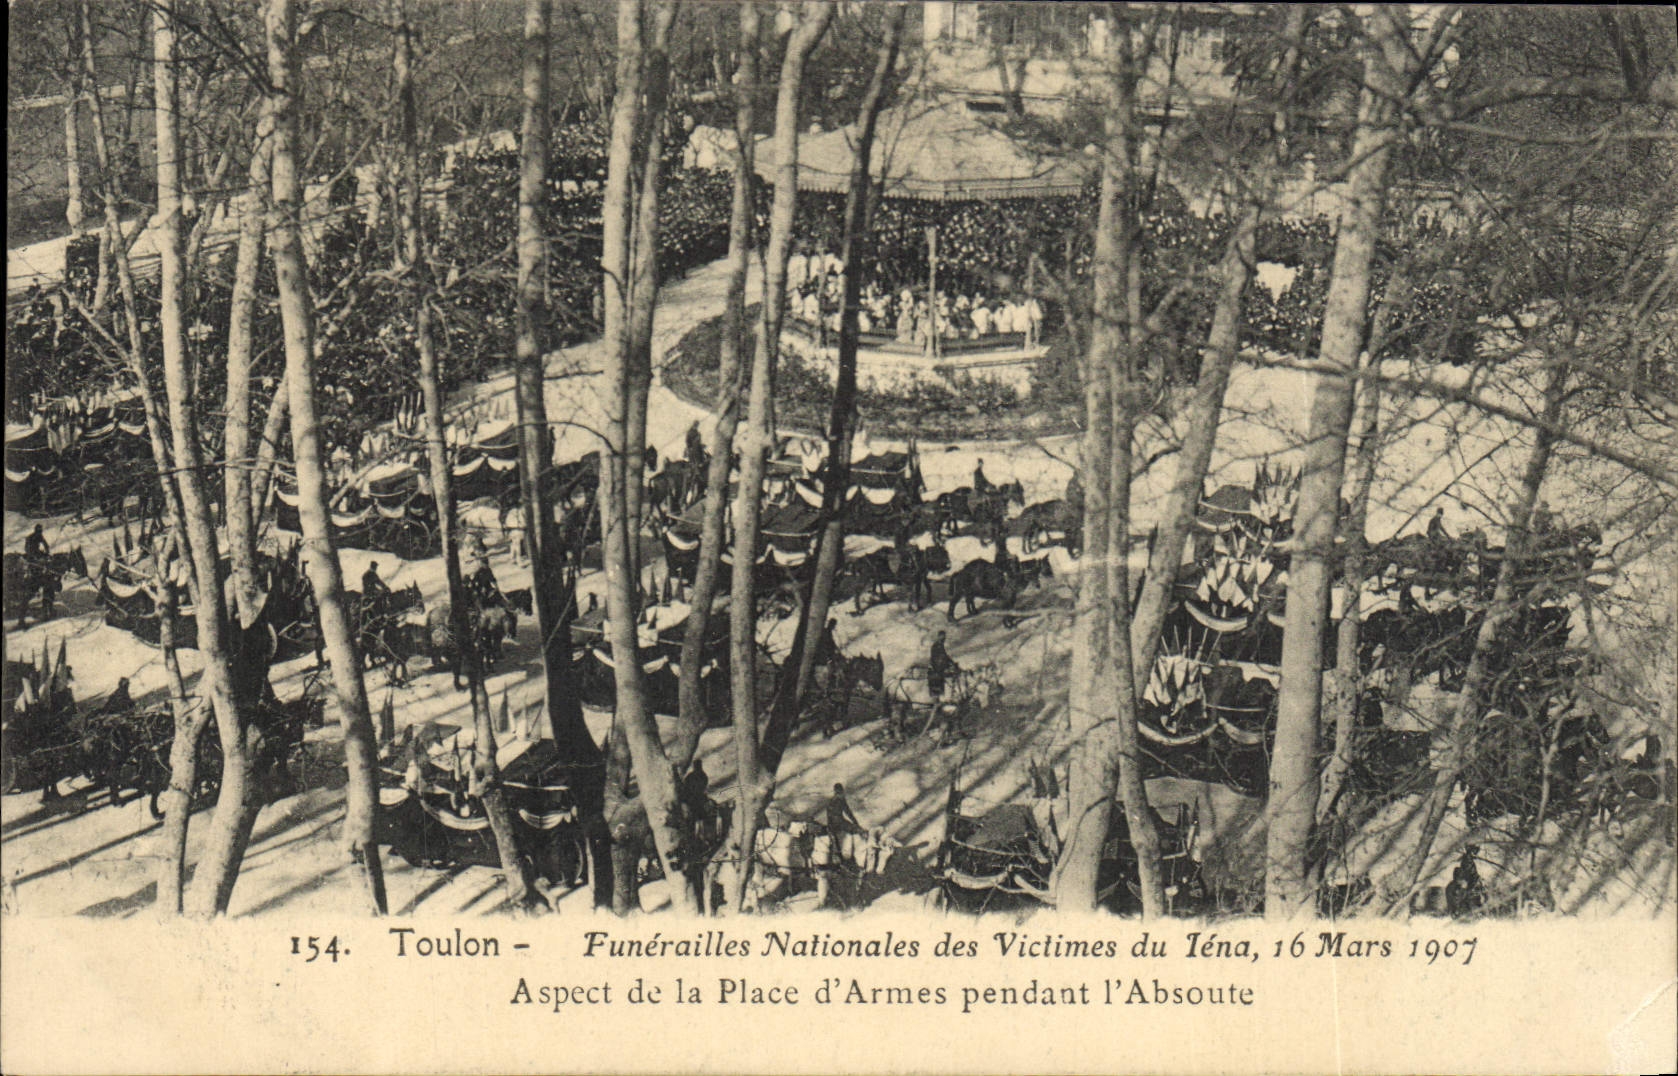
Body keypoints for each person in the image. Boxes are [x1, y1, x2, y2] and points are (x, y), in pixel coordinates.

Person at [928, 630, 960, 700]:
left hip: (939, 668)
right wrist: (948, 664)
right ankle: (937, 703)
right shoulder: (936, 646)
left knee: (939, 688)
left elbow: (945, 656)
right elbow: (938, 658)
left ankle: (939, 701)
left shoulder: (940, 645)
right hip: (937, 669)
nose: (944, 639)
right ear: (939, 637)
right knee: (937, 688)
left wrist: (951, 662)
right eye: (942, 637)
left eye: (944, 637)